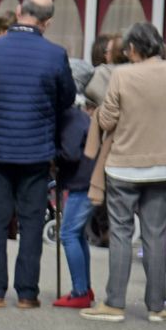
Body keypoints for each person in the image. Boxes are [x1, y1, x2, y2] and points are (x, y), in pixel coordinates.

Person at [0, 0, 75, 309]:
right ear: (47, 22)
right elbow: (67, 98)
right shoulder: (56, 55)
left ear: (18, 12)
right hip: (37, 153)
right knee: (31, 222)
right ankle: (27, 293)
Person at [82, 23, 166, 324]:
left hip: (125, 166)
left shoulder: (123, 75)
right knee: (156, 235)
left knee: (121, 233)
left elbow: (105, 120)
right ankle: (156, 306)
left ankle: (115, 303)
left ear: (132, 49)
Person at [53, 104, 96, 308]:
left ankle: (80, 291)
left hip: (82, 182)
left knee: (68, 234)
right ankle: (85, 287)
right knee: (77, 234)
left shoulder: (70, 120)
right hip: (88, 179)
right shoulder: (78, 116)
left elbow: (69, 153)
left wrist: (53, 153)